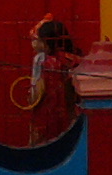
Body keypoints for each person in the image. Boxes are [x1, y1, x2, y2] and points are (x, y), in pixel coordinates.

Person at [27, 16, 80, 145]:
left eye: (37, 40)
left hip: (46, 113)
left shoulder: (42, 60)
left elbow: (38, 91)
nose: (33, 44)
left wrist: (31, 95)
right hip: (71, 112)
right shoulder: (74, 59)